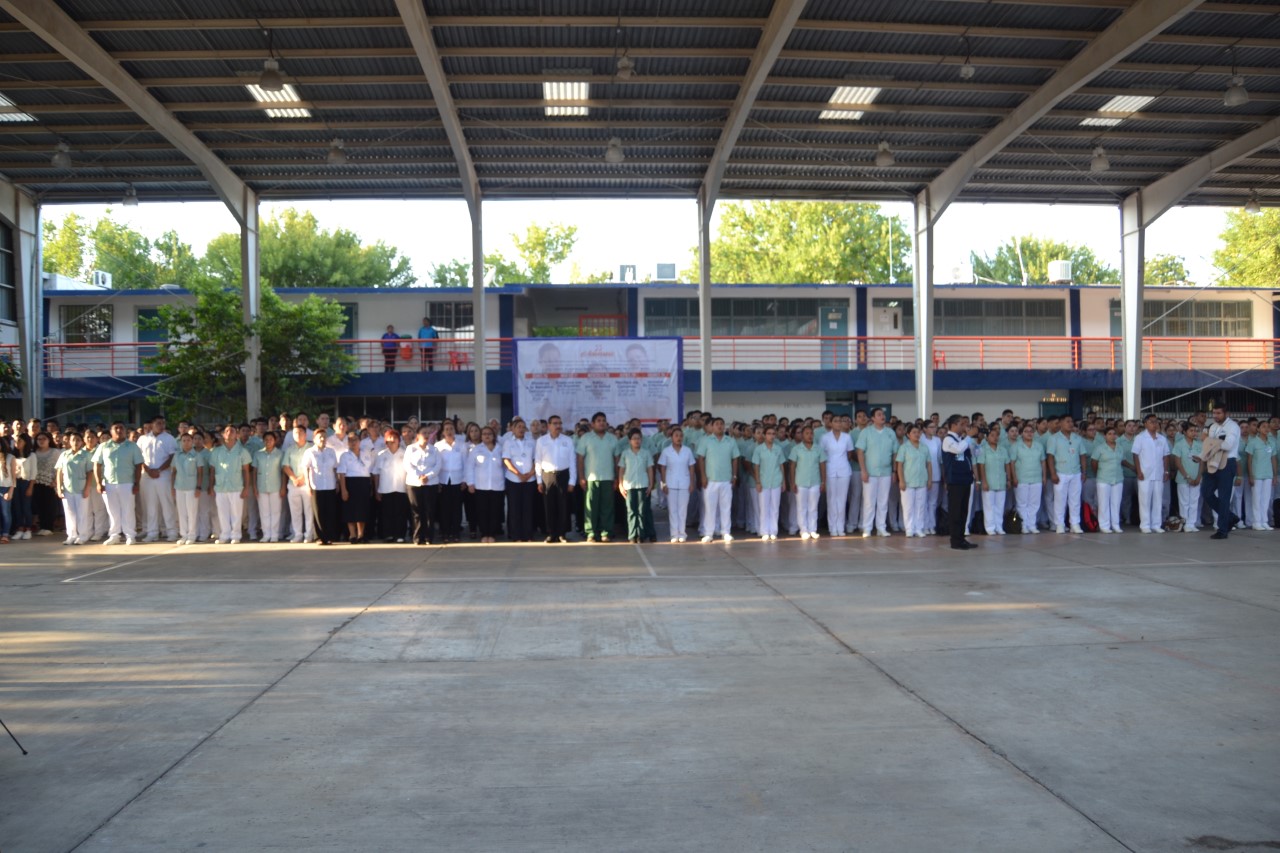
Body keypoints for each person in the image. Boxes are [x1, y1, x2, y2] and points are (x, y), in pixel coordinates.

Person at [93, 423, 143, 546]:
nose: (119, 430)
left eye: (121, 428)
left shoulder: (132, 446)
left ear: (125, 430)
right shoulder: (103, 447)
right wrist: (99, 483)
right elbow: (97, 465)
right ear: (111, 431)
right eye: (116, 428)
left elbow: (138, 466)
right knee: (112, 511)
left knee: (128, 510)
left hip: (127, 483)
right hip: (109, 483)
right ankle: (114, 535)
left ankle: (130, 535)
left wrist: (137, 483)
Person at [577, 412, 620, 543]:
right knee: (591, 508)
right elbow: (580, 459)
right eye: (598, 420)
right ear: (592, 424)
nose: (602, 423)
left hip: (608, 478)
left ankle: (606, 532)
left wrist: (617, 478)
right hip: (591, 478)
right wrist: (581, 477)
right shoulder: (586, 438)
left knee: (607, 507)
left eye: (603, 420)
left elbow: (617, 459)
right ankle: (590, 532)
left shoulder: (612, 438)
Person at [856, 408, 898, 538]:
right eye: (879, 415)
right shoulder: (866, 432)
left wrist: (894, 471)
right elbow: (860, 452)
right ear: (872, 418)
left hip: (886, 472)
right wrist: (863, 470)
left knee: (883, 501)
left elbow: (895, 452)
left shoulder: (890, 432)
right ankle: (867, 528)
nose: (882, 416)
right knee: (869, 501)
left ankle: (881, 527)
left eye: (883, 414)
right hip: (870, 472)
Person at [696, 417, 739, 544]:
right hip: (710, 480)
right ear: (712, 427)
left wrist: (735, 476)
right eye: (717, 424)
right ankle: (708, 533)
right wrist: (703, 476)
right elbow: (701, 458)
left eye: (721, 424)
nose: (720, 426)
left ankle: (725, 532)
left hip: (726, 479)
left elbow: (735, 458)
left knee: (726, 507)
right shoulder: (706, 441)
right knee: (710, 508)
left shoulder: (730, 441)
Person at [136, 415, 178, 542]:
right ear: (152, 424)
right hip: (147, 476)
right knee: (150, 505)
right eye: (158, 423)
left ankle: (171, 532)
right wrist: (148, 470)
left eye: (163, 423)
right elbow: (139, 457)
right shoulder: (143, 439)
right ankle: (152, 532)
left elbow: (172, 457)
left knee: (167, 504)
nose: (161, 426)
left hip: (164, 475)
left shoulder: (169, 438)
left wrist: (159, 470)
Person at [536, 415, 576, 543]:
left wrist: (572, 481)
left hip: (563, 475)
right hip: (547, 476)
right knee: (549, 506)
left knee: (563, 506)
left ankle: (562, 534)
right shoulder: (541, 441)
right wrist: (538, 481)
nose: (558, 426)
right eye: (555, 423)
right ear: (548, 426)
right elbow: (538, 461)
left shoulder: (567, 440)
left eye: (560, 423)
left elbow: (572, 462)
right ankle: (551, 533)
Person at [208, 425, 252, 545]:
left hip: (236, 487)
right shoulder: (216, 451)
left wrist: (246, 487)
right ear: (223, 434)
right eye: (226, 431)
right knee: (222, 512)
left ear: (236, 434)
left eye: (232, 431)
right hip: (220, 486)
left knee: (236, 513)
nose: (229, 433)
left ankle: (236, 535)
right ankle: (224, 534)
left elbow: (246, 471)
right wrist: (211, 486)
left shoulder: (242, 451)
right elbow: (212, 470)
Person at [940, 414, 978, 550]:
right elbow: (957, 449)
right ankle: (955, 541)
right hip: (955, 480)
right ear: (954, 425)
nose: (964, 427)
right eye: (962, 424)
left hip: (965, 479)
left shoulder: (963, 440)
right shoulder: (947, 440)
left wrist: (973, 441)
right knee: (955, 511)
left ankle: (962, 538)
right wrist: (968, 437)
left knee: (963, 511)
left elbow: (973, 455)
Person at [464, 426, 505, 543]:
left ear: (494, 436)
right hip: (480, 486)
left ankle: (492, 534)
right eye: (484, 434)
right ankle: (484, 533)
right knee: (482, 511)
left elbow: (505, 467)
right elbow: (469, 467)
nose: (487, 436)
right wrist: (470, 483)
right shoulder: (476, 450)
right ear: (481, 436)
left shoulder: (500, 449)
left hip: (497, 486)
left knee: (495, 511)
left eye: (489, 434)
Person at [1046, 415, 1085, 534]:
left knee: (1075, 500)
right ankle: (1060, 524)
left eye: (1072, 421)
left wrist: (1084, 472)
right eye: (1067, 421)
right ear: (1061, 423)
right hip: (1060, 473)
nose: (1070, 423)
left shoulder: (1077, 438)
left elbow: (1082, 455)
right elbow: (1050, 457)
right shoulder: (1054, 438)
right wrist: (1053, 473)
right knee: (1060, 500)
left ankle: (1075, 524)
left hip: (1076, 472)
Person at [1132, 414, 1170, 534]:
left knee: (1158, 500)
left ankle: (1156, 524)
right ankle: (1145, 524)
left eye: (1156, 422)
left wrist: (1166, 471)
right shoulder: (1140, 437)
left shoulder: (1162, 438)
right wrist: (1139, 471)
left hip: (1158, 473)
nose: (1154, 424)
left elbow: (1166, 456)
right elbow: (1135, 455)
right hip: (1145, 473)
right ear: (1145, 424)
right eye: (1151, 422)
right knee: (1144, 500)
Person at [617, 428, 656, 543]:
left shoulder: (646, 453)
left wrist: (650, 484)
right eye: (634, 439)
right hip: (629, 485)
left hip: (643, 484)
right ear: (629, 441)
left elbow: (650, 469)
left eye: (638, 438)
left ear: (641, 440)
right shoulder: (625, 453)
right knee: (631, 511)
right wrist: (620, 484)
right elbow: (621, 470)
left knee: (642, 511)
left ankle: (641, 534)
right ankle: (632, 535)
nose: (636, 441)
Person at [500, 418, 537, 542]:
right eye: (518, 427)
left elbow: (536, 460)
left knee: (528, 508)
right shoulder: (508, 443)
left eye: (523, 427)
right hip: (513, 480)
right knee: (514, 508)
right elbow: (506, 460)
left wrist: (530, 473)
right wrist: (519, 474)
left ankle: (528, 535)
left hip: (530, 479)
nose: (521, 429)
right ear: (513, 429)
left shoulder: (531, 442)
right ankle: (515, 535)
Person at [403, 426, 441, 546]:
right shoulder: (410, 449)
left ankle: (429, 537)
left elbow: (438, 466)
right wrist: (419, 476)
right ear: (417, 435)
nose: (426, 435)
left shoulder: (434, 450)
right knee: (417, 511)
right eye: (424, 433)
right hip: (414, 483)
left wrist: (428, 476)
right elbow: (407, 465)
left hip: (431, 483)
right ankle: (418, 536)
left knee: (429, 511)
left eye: (428, 433)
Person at [658, 426, 696, 543]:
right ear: (671, 438)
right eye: (676, 436)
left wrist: (692, 483)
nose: (679, 438)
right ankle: (674, 534)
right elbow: (663, 468)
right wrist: (663, 484)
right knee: (673, 510)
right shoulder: (666, 451)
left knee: (682, 510)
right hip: (671, 483)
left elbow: (691, 468)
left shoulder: (687, 450)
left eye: (680, 436)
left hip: (685, 483)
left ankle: (682, 534)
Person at [303, 429, 341, 546]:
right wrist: (308, 485)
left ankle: (329, 537)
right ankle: (319, 537)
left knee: (330, 511)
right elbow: (306, 469)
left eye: (324, 437)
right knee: (318, 512)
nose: (322, 439)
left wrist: (338, 482)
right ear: (314, 439)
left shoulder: (331, 452)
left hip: (330, 485)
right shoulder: (309, 452)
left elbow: (335, 468)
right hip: (316, 486)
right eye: (319, 437)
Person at [789, 425, 826, 540]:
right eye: (807, 433)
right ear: (802, 435)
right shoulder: (796, 449)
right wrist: (792, 482)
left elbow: (822, 465)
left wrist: (823, 481)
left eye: (811, 433)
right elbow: (792, 466)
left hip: (815, 481)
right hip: (801, 482)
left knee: (813, 507)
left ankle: (813, 529)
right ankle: (803, 530)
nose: (810, 436)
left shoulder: (818, 448)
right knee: (801, 507)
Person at [372, 429, 409, 543]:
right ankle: (388, 534)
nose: (392, 442)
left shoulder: (405, 453)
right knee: (386, 513)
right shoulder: (381, 455)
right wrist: (377, 489)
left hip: (401, 488)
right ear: (385, 442)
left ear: (399, 440)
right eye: (389, 441)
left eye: (394, 440)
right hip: (385, 488)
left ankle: (400, 535)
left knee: (400, 513)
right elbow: (376, 473)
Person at [54, 432, 91, 546]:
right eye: (73, 440)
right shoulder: (64, 454)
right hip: (67, 488)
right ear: (69, 441)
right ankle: (71, 535)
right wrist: (59, 488)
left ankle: (83, 535)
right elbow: (59, 471)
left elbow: (90, 472)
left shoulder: (86, 454)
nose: (76, 442)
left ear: (82, 442)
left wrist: (86, 488)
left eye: (78, 440)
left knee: (82, 514)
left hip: (81, 488)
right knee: (69, 513)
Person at [819, 417, 853, 537]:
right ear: (831, 423)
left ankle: (840, 527)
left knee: (842, 500)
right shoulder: (825, 437)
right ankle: (832, 527)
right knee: (831, 499)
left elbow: (849, 453)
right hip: (830, 470)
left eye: (840, 421)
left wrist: (841, 463)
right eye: (836, 421)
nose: (838, 423)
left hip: (844, 470)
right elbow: (821, 454)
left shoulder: (847, 437)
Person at [752, 425, 787, 541]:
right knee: (764, 507)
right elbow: (756, 466)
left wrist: (783, 481)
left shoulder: (778, 449)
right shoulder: (759, 449)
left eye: (773, 434)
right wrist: (757, 481)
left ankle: (773, 531)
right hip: (764, 481)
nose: (771, 436)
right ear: (764, 435)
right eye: (769, 434)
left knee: (774, 507)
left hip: (776, 480)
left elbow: (781, 465)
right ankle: (764, 531)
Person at [434, 420, 467, 543]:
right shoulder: (438, 446)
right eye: (446, 429)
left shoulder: (461, 445)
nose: (449, 431)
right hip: (443, 480)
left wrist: (464, 480)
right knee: (444, 508)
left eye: (451, 429)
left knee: (456, 508)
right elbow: (436, 464)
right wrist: (437, 481)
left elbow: (466, 463)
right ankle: (445, 532)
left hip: (458, 480)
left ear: (455, 431)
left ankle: (455, 532)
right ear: (443, 432)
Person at [337, 432, 373, 544]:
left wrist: (370, 486)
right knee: (350, 510)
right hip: (350, 482)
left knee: (362, 510)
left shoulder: (366, 453)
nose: (353, 442)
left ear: (359, 441)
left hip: (364, 482)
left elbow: (370, 471)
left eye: (355, 440)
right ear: (347, 442)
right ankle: (352, 534)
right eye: (351, 440)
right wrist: (343, 489)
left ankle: (361, 534)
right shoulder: (344, 455)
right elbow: (341, 474)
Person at [1010, 423, 1046, 535]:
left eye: (1031, 431)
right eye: (1026, 431)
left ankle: (1032, 525)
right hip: (1021, 478)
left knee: (1034, 503)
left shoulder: (1038, 445)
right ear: (1021, 434)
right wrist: (1014, 478)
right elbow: (1012, 463)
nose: (1029, 433)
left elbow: (1043, 462)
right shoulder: (1016, 446)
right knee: (1022, 503)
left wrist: (1044, 476)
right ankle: (1023, 525)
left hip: (1036, 478)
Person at [281, 425, 315, 543]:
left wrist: (302, 478)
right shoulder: (290, 449)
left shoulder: (311, 448)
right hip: (293, 483)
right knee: (295, 511)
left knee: (308, 510)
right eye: (295, 433)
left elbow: (313, 466)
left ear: (305, 434)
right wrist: (294, 478)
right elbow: (285, 466)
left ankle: (309, 534)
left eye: (300, 432)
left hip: (307, 483)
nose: (298, 435)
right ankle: (298, 534)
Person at [171, 431, 204, 545]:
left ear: (192, 442)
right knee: (181, 512)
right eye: (184, 440)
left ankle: (192, 535)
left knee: (192, 512)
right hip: (179, 486)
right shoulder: (177, 455)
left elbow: (200, 472)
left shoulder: (197, 455)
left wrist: (198, 487)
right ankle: (183, 535)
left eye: (189, 440)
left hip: (192, 487)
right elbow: (174, 472)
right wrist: (172, 487)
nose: (186, 443)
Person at [1090, 427, 1126, 534]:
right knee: (1103, 503)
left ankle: (1115, 525)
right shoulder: (1100, 448)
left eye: (1114, 433)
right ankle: (1104, 525)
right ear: (1105, 436)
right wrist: (1099, 472)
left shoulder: (1120, 447)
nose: (1112, 436)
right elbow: (1094, 462)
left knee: (1116, 503)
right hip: (1103, 478)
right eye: (1109, 434)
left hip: (1118, 478)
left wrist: (1133, 467)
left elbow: (1122, 461)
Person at [976, 427, 1011, 535]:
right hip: (989, 481)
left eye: (997, 435)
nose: (995, 438)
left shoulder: (1003, 449)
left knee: (1000, 506)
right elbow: (981, 466)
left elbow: (1007, 464)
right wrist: (984, 481)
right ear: (987, 437)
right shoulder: (983, 449)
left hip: (1001, 481)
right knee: (989, 506)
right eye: (992, 435)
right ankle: (990, 528)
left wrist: (1008, 479)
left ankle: (999, 527)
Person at [252, 431, 285, 543]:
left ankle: (274, 534)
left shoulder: (280, 454)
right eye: (266, 439)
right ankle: (266, 534)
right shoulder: (258, 454)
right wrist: (255, 487)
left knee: (276, 512)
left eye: (271, 439)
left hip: (276, 486)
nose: (268, 441)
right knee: (264, 512)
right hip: (261, 486)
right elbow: (254, 472)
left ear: (275, 441)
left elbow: (283, 472)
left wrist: (283, 487)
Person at [1171, 422, 1203, 533]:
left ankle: (1192, 523)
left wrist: (1199, 476)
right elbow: (1177, 462)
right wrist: (1187, 477)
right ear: (1184, 432)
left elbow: (1202, 461)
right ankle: (1185, 523)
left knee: (1194, 501)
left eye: (1195, 431)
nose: (1194, 433)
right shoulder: (1179, 444)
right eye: (1191, 431)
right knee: (1184, 502)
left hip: (1196, 477)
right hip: (1183, 478)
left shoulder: (1199, 444)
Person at [1244, 420, 1276, 531]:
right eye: (1263, 427)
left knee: (1266, 498)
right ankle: (1256, 522)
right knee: (1256, 499)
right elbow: (1249, 460)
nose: (1266, 429)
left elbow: (1273, 459)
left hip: (1268, 474)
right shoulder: (1253, 442)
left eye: (1267, 427)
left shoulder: (1271, 442)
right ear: (1258, 429)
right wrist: (1251, 475)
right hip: (1257, 474)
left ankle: (1264, 521)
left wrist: (1275, 475)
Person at [0, 436, 15, 544]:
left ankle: (5, 534)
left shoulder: (10, 457)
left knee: (6, 512)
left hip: (6, 487)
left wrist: (10, 491)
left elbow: (13, 477)